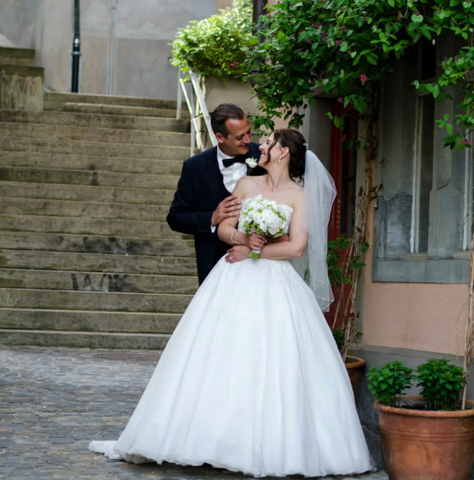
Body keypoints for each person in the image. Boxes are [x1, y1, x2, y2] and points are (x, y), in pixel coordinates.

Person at [90, 129, 374, 478]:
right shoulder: (245, 185)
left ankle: (273, 445)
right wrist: (241, 236)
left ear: (283, 152)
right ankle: (205, 437)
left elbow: (297, 247)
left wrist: (256, 249)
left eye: (269, 142)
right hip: (233, 277)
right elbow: (224, 228)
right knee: (218, 353)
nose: (262, 146)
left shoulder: (299, 195)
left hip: (276, 283)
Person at [166, 103, 265, 285]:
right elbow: (175, 217)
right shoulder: (194, 167)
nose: (247, 140)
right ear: (219, 137)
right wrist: (211, 218)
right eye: (239, 137)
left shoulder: (265, 158)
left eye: (249, 133)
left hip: (259, 263)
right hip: (213, 265)